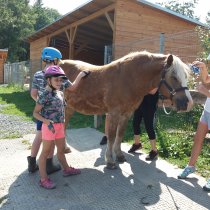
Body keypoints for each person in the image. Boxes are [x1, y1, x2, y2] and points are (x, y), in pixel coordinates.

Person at [33, 65, 89, 189]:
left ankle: (66, 169)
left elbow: (72, 86)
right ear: (48, 80)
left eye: (61, 80)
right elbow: (35, 113)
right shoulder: (44, 95)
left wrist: (80, 75)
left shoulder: (58, 90)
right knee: (45, 152)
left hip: (59, 126)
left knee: (61, 150)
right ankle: (43, 179)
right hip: (49, 127)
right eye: (56, 80)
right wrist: (46, 121)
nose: (59, 82)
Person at [28, 47, 70, 174]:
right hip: (50, 116)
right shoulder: (57, 73)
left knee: (39, 136)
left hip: (41, 112)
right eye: (58, 60)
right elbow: (70, 87)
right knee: (49, 140)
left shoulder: (37, 74)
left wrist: (41, 104)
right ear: (55, 60)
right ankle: (48, 164)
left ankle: (31, 162)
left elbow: (33, 93)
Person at [177, 58, 210, 192]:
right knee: (198, 140)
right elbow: (207, 79)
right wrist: (203, 68)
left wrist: (206, 92)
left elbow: (206, 88)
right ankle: (190, 167)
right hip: (207, 111)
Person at [128, 88, 159, 161]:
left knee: (149, 127)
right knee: (135, 123)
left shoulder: (156, 77)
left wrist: (140, 88)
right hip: (140, 103)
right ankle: (137, 144)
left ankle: (154, 151)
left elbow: (153, 91)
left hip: (150, 105)